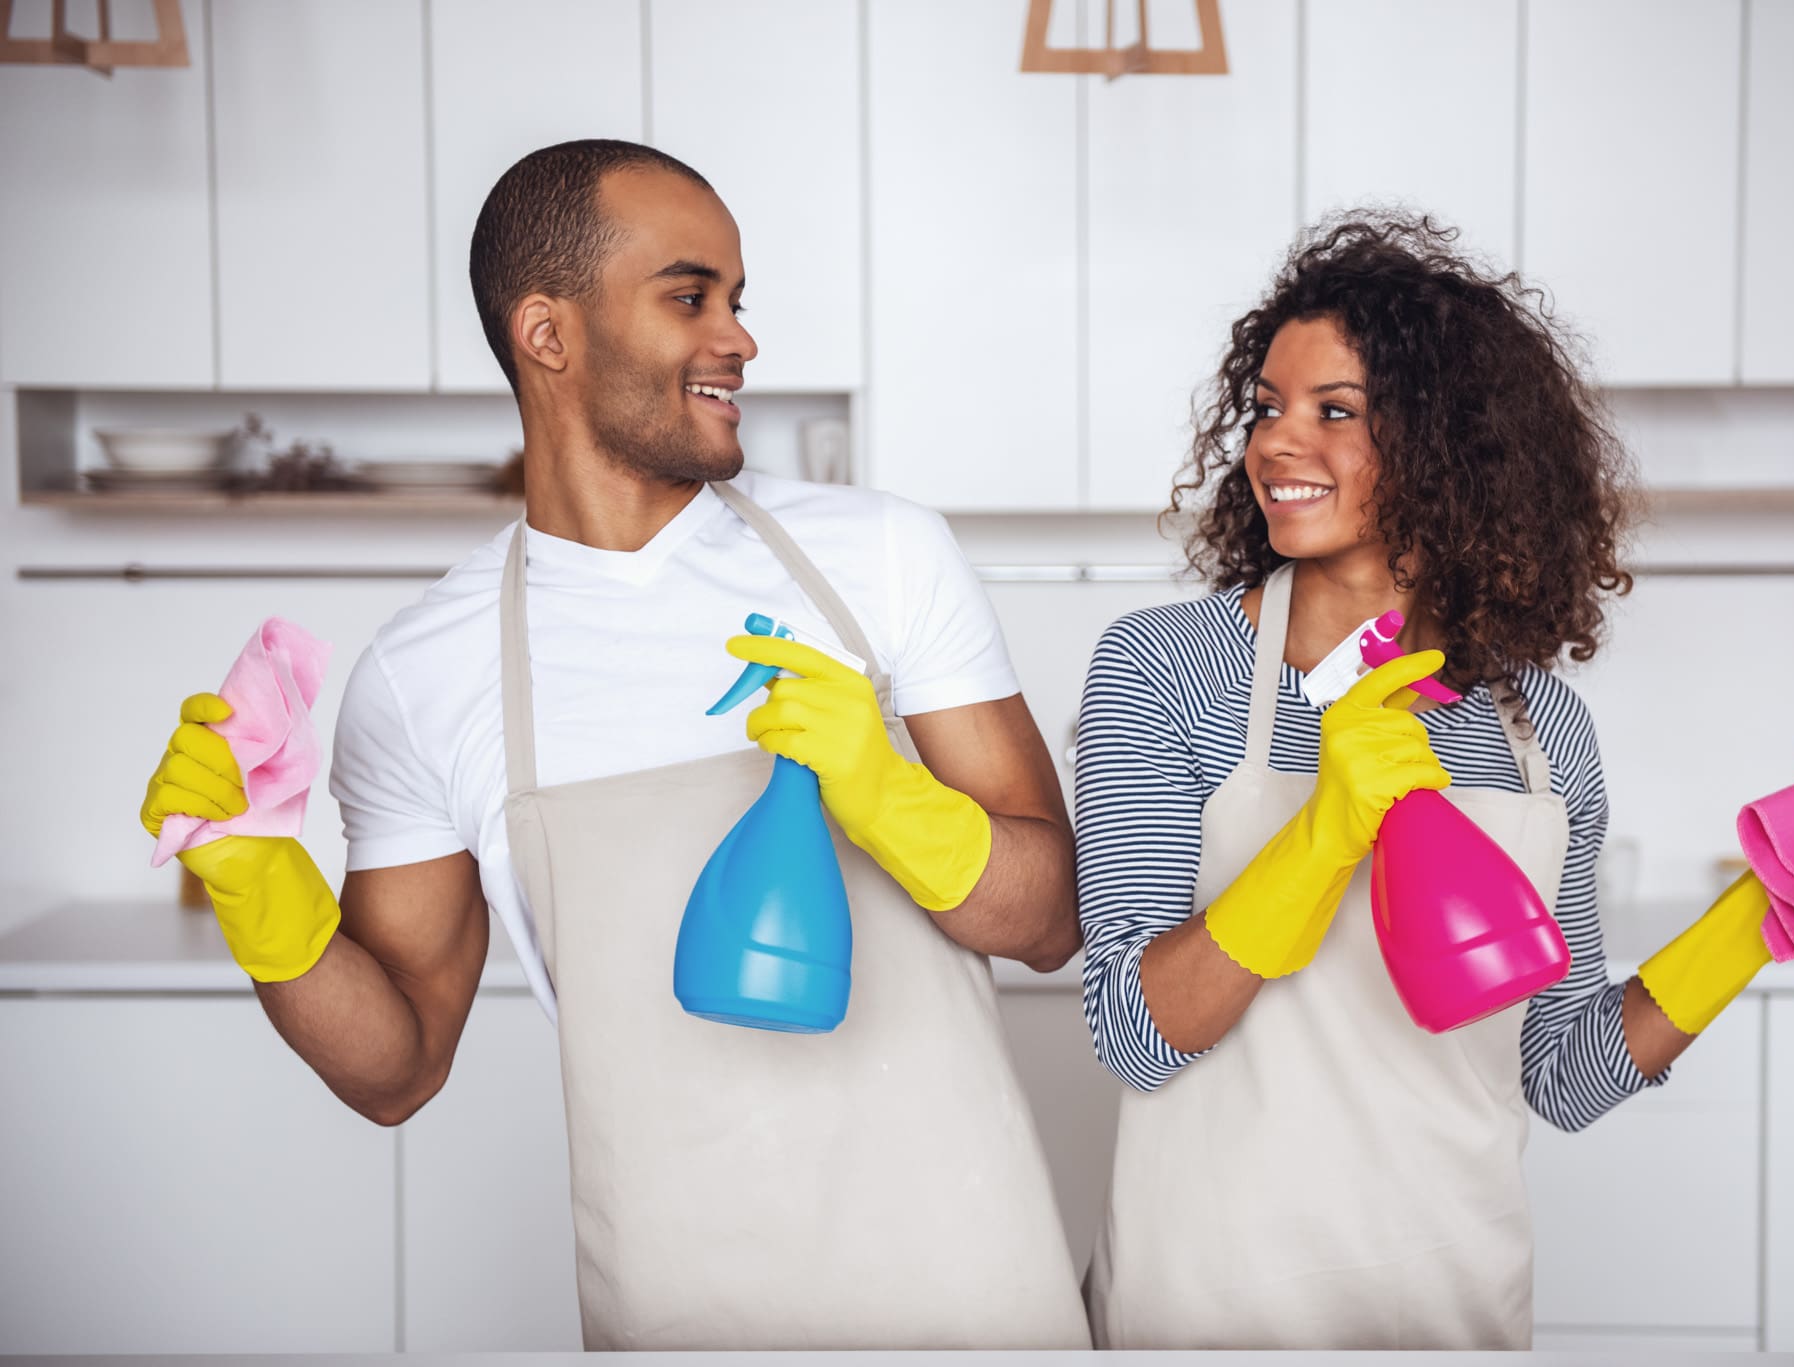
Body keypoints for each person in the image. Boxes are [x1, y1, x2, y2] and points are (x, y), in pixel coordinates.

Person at [136, 139, 1089, 1350]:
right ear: (549, 332)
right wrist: (259, 885)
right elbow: (395, 1066)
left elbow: (1054, 919)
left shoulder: (881, 558)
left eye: (737, 301)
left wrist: (892, 796)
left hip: (970, 1283)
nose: (738, 337)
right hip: (676, 1302)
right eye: (690, 296)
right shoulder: (424, 674)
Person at [1072, 211, 1794, 1349]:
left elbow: (1564, 1073)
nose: (1276, 443)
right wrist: (1326, 828)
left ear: (1447, 448)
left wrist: (1757, 915)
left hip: (1454, 1302)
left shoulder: (1540, 731)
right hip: (1208, 1302)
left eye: (1333, 411)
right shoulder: (1166, 668)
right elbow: (1134, 1029)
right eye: (1268, 407)